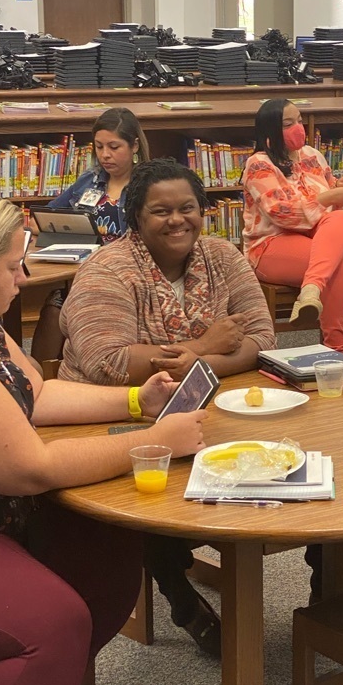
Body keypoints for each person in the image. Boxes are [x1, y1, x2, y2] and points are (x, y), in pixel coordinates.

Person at [0, 186, 207, 685]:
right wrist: (155, 443)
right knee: (52, 626)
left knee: (109, 548)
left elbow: (37, 393)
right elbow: (31, 467)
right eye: (11, 265)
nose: (22, 278)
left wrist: (133, 401)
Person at [58, 157, 276, 656]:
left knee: (302, 460)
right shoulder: (107, 268)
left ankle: (333, 600)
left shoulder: (223, 256)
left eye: (188, 208)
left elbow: (261, 339)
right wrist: (206, 345)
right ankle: (180, 595)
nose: (177, 220)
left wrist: (201, 363)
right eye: (161, 211)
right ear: (136, 218)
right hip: (113, 415)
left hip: (210, 406)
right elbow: (107, 361)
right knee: (151, 487)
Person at [242, 97, 343, 352]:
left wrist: (341, 189)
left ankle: (310, 291)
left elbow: (329, 206)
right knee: (338, 264)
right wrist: (328, 197)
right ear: (270, 132)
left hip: (315, 240)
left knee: (342, 218)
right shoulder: (259, 164)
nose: (298, 128)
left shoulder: (313, 156)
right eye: (288, 124)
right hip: (270, 244)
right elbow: (282, 213)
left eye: (299, 121)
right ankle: (337, 349)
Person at [31, 106, 150, 362]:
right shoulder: (89, 180)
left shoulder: (150, 184)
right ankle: (42, 379)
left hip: (128, 275)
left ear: (135, 146)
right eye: (98, 147)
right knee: (54, 307)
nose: (105, 155)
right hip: (80, 271)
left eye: (114, 147)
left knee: (71, 306)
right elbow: (45, 217)